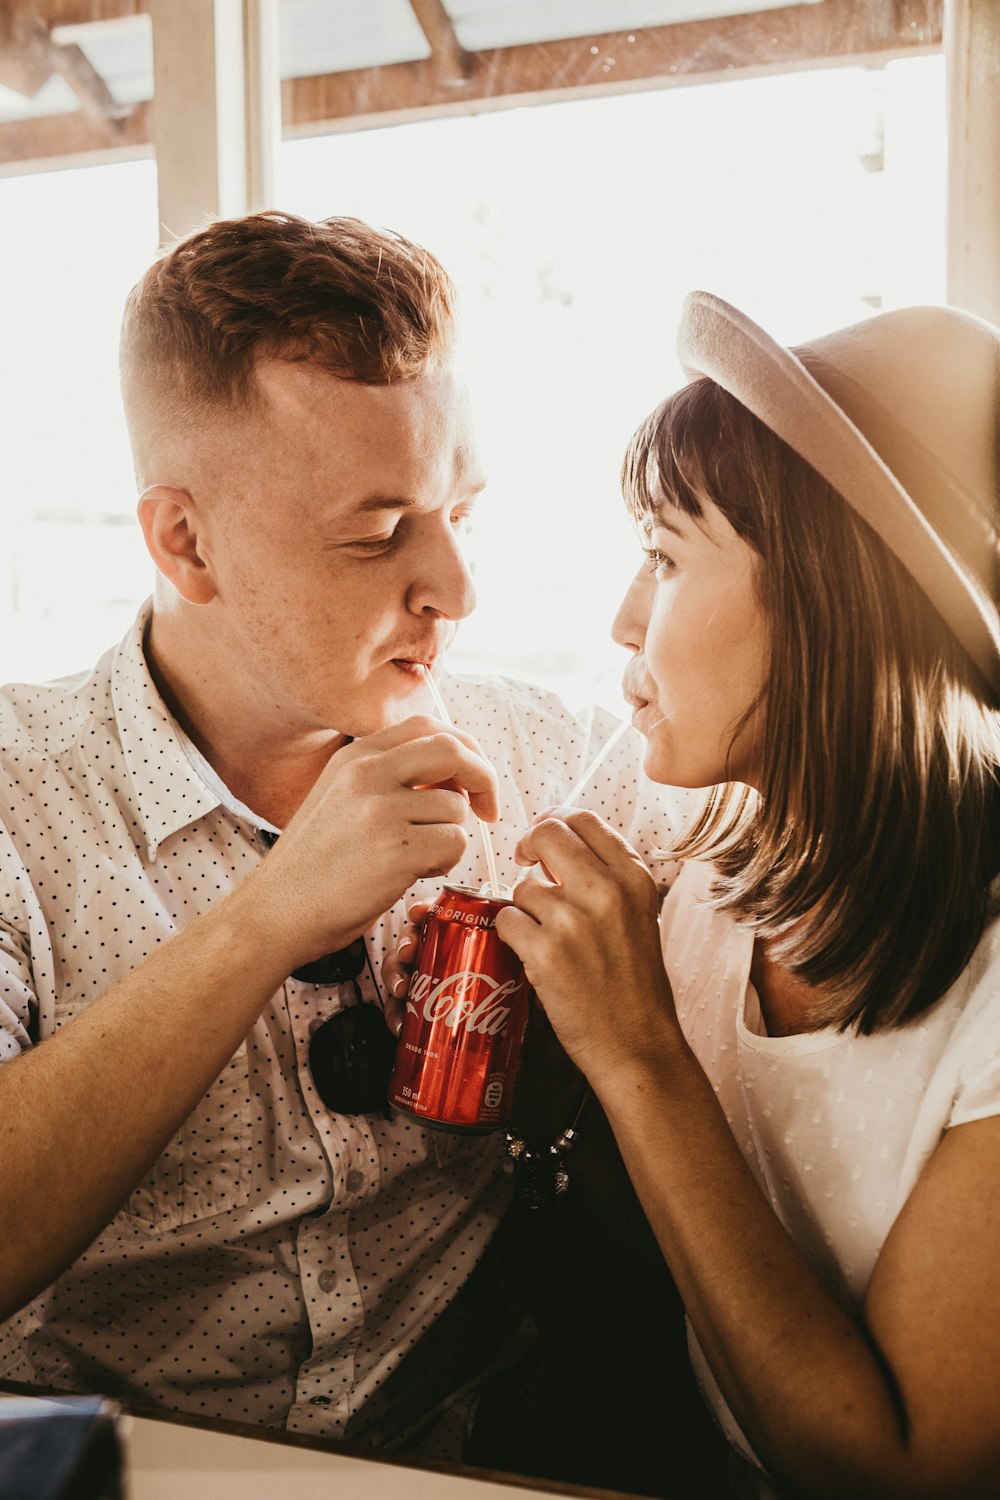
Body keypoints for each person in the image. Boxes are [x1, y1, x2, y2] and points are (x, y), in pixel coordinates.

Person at [0, 211, 692, 1466]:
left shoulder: (541, 759)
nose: (455, 590)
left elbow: (808, 844)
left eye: (460, 514)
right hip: (138, 1466)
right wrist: (267, 921)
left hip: (495, 1447)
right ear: (184, 540)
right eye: (378, 535)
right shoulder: (15, 802)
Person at [493, 291, 1000, 1499]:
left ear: (829, 599)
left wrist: (633, 1053)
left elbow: (891, 1472)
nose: (623, 617)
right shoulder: (713, 896)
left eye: (665, 558)